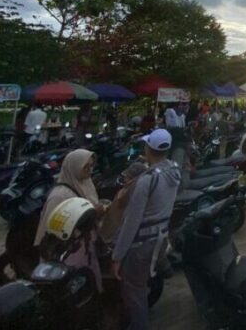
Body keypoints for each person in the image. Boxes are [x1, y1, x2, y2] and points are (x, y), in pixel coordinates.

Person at [112, 129, 181, 330]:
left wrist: (117, 257)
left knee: (134, 292)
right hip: (160, 236)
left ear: (148, 149)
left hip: (141, 244)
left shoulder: (148, 180)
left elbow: (131, 222)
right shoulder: (174, 172)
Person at [34, 149, 104, 288]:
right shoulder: (60, 196)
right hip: (67, 252)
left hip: (85, 247)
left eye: (91, 166)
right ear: (74, 168)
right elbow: (53, 230)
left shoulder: (86, 184)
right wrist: (92, 214)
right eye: (86, 167)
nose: (90, 170)